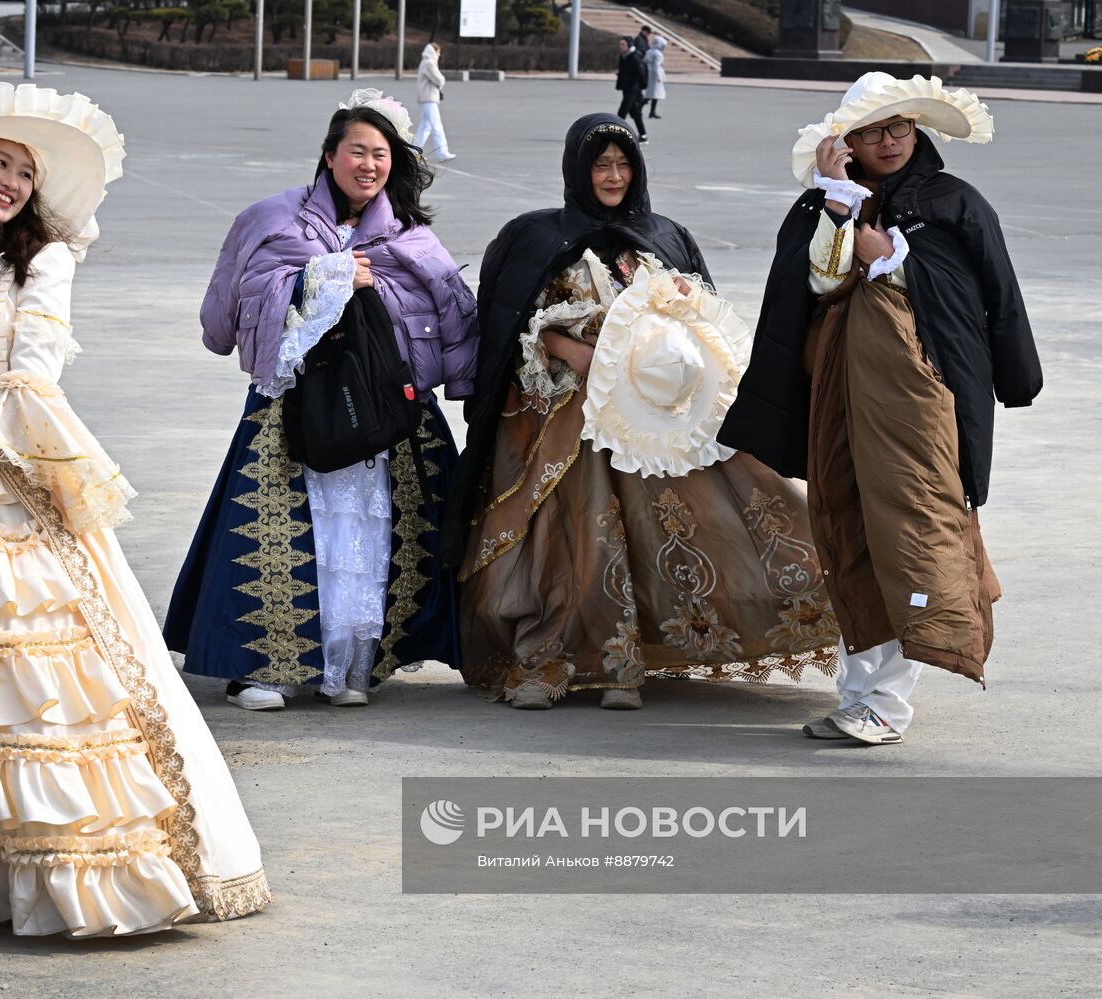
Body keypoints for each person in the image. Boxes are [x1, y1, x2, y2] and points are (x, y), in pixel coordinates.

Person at [0, 82, 271, 936]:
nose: (14, 183)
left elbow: (33, 379)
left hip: (5, 478)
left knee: (39, 688)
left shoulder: (44, 261)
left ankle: (57, 869)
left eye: (26, 172)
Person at [445, 114, 840, 710]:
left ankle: (626, 665)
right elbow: (502, 327)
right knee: (575, 539)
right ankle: (553, 658)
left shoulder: (666, 236)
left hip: (652, 421)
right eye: (600, 164)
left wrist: (685, 309)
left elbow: (707, 324)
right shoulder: (532, 237)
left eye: (623, 164)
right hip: (565, 422)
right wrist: (563, 347)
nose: (612, 176)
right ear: (578, 170)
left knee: (664, 527)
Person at [718, 73, 1042, 745]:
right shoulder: (826, 206)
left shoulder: (954, 203)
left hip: (920, 398)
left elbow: (989, 297)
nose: (889, 142)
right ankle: (862, 695)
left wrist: (893, 259)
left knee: (913, 529)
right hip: (840, 395)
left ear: (917, 129)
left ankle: (888, 703)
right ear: (846, 143)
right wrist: (839, 204)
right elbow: (815, 283)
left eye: (898, 128)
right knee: (847, 527)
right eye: (870, 132)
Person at [165, 89, 479, 711]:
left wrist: (466, 387)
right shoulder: (273, 218)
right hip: (294, 406)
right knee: (286, 531)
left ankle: (353, 665)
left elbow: (453, 311)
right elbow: (240, 301)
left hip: (386, 409)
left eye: (380, 154)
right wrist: (329, 277)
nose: (368, 164)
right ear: (329, 156)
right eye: (356, 151)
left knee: (375, 536)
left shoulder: (411, 237)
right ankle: (266, 669)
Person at [414, 42, 456, 162]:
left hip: (426, 97)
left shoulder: (425, 62)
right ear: (434, 52)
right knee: (436, 126)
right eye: (438, 52)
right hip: (429, 98)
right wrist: (442, 80)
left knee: (425, 127)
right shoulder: (429, 63)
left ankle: (413, 152)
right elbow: (439, 79)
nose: (439, 54)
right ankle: (442, 152)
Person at [615, 37, 649, 144]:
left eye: (623, 44)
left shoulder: (635, 57)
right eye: (620, 44)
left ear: (629, 45)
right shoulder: (624, 56)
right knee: (635, 113)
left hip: (633, 89)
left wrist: (641, 88)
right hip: (626, 88)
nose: (620, 46)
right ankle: (643, 136)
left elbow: (642, 74)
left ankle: (615, 136)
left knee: (622, 112)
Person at [644, 36, 667, 119]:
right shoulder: (658, 53)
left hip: (650, 73)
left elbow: (645, 61)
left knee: (652, 95)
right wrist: (659, 77)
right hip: (655, 75)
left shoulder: (649, 51)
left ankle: (652, 112)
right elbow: (657, 66)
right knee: (653, 95)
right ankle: (642, 109)